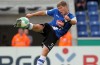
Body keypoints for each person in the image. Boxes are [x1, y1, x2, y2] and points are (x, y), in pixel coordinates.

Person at [15, 1, 77, 65]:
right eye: (58, 8)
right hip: (49, 28)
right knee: (40, 26)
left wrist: (69, 20)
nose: (59, 10)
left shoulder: (71, 16)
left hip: (55, 35)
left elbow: (74, 22)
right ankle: (27, 25)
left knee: (45, 51)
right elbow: (43, 13)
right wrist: (32, 14)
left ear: (65, 7)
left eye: (60, 8)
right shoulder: (56, 11)